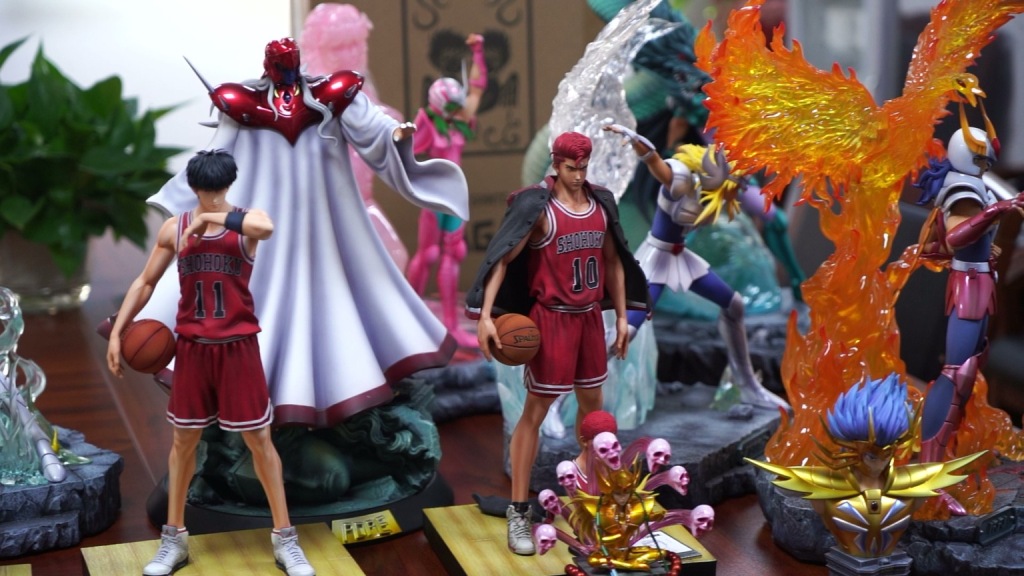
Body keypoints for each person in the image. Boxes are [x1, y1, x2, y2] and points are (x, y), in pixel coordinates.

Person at [130, 38, 468, 428]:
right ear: (269, 65)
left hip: (324, 214)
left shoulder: (332, 94)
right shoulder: (243, 103)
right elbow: (217, 152)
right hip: (261, 215)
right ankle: (260, 393)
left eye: (289, 63)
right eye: (280, 64)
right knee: (259, 295)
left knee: (336, 293)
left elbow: (371, 126)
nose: (286, 72)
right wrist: (194, 195)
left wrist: (394, 134)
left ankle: (334, 388)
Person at [106, 150, 314, 576]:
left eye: (219, 190)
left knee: (260, 441)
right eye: (206, 191)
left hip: (239, 346)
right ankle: (174, 538)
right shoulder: (175, 227)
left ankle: (285, 539)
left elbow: (267, 227)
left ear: (228, 186)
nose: (214, 197)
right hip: (193, 348)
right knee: (183, 443)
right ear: (195, 188)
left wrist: (210, 220)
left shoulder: (246, 221)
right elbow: (145, 281)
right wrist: (117, 331)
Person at [466, 132, 649, 555]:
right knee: (535, 412)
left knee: (595, 414)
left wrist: (622, 317)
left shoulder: (600, 205)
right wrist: (485, 316)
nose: (579, 175)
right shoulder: (540, 209)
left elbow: (614, 262)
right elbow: (502, 258)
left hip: (589, 320)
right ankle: (518, 509)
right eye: (571, 168)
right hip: (552, 320)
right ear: (556, 164)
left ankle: (589, 496)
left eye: (584, 168)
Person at [603, 123, 788, 414]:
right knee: (628, 331)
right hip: (656, 258)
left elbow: (751, 199)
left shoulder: (721, 190)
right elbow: (656, 165)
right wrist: (637, 141)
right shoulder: (681, 177)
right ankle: (558, 397)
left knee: (734, 305)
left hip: (680, 257)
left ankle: (748, 385)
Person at [914, 115, 1024, 473]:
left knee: (968, 369)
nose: (986, 161)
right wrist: (997, 211)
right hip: (969, 286)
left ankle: (943, 458)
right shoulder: (963, 188)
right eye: (981, 155)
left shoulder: (970, 182)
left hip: (980, 282)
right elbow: (956, 238)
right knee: (956, 373)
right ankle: (930, 466)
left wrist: (990, 240)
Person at [406, 33, 487, 348]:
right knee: (428, 254)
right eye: (452, 106)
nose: (458, 109)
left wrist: (478, 53)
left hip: (454, 195)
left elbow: (477, 88)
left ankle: (451, 325)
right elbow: (406, 153)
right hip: (433, 195)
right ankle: (408, 317)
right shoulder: (427, 123)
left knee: (455, 254)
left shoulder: (459, 121)